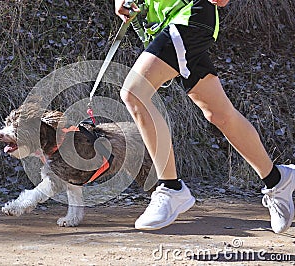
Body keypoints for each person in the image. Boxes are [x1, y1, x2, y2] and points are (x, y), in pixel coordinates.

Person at [114, 0, 295, 233]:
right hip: (167, 19)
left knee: (133, 93)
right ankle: (278, 180)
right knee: (219, 114)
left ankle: (171, 188)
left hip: (190, 16)